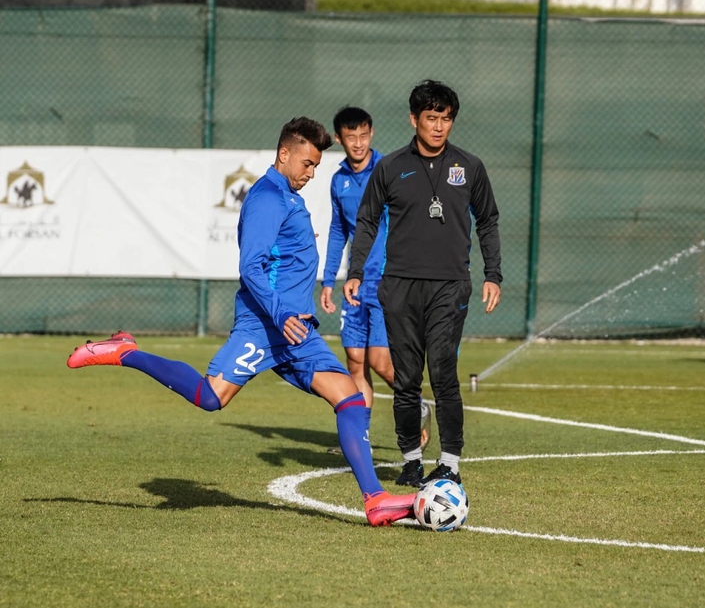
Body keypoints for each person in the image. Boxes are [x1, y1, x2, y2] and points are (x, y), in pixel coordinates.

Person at [66, 117, 416, 526]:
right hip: (265, 325)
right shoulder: (267, 198)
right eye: (306, 163)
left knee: (349, 397)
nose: (311, 173)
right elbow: (251, 267)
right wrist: (282, 311)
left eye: (317, 166)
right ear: (284, 154)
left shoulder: (289, 197)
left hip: (295, 330)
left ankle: (375, 499)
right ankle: (127, 352)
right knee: (211, 397)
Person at [343, 80, 502, 488]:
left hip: (450, 286)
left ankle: (450, 462)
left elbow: (488, 220)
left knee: (444, 375)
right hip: (399, 287)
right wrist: (356, 270)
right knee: (407, 379)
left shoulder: (469, 166)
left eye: (446, 119)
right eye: (431, 118)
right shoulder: (391, 167)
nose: (439, 127)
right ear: (414, 119)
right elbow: (367, 221)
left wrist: (493, 275)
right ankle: (411, 461)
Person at [320, 106, 430, 455]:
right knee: (354, 360)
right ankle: (360, 438)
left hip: (388, 280)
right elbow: (339, 231)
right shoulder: (338, 180)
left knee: (381, 361)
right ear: (339, 139)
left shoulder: (389, 170)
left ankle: (417, 409)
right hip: (355, 283)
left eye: (363, 135)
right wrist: (328, 279)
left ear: (372, 133)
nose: (357, 143)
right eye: (350, 137)